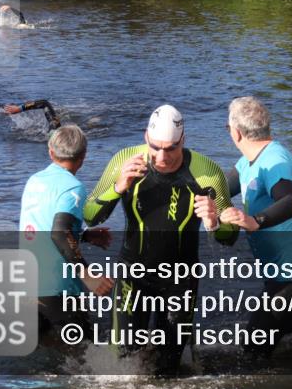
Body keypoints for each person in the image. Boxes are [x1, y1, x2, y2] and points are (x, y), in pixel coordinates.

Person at [84, 105, 238, 375]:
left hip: (181, 280)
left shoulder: (208, 172)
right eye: (155, 148)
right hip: (133, 275)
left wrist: (215, 222)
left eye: (171, 149)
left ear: (183, 140)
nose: (162, 156)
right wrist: (118, 188)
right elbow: (90, 216)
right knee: (121, 360)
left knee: (168, 367)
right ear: (146, 137)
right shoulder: (125, 160)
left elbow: (229, 237)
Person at [201, 96, 292, 354]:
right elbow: (217, 187)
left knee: (253, 350)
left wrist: (254, 221)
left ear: (236, 132)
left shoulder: (274, 160)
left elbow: (289, 202)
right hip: (289, 271)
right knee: (290, 347)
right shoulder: (248, 162)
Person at [19, 125, 114, 341]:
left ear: (51, 152)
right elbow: (59, 233)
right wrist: (88, 276)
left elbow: (42, 228)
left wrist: (85, 235)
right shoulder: (73, 187)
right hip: (59, 288)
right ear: (83, 156)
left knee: (39, 363)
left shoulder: (33, 181)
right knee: (86, 361)